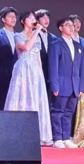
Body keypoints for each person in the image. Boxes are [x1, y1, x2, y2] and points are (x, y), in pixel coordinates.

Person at [4, 11, 52, 145]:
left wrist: (41, 74)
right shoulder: (17, 36)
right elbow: (26, 47)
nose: (32, 20)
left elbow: (38, 57)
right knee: (22, 98)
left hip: (36, 71)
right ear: (23, 21)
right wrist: (37, 32)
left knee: (37, 99)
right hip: (23, 70)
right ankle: (19, 134)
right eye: (30, 18)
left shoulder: (38, 37)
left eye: (33, 18)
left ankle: (38, 135)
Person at [49, 17, 84, 148]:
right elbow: (53, 66)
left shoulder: (78, 45)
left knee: (69, 112)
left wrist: (81, 86)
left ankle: (66, 137)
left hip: (75, 85)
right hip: (61, 84)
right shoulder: (55, 44)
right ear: (61, 28)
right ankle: (57, 138)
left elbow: (81, 68)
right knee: (58, 111)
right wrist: (54, 85)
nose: (71, 27)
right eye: (68, 25)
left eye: (72, 25)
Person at [0, 7, 18, 111]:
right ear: (3, 19)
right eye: (10, 16)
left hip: (16, 76)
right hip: (1, 77)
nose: (13, 19)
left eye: (14, 17)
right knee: (0, 105)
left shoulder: (19, 36)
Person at [36, 9, 56, 98]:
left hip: (50, 74)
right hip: (38, 72)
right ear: (37, 20)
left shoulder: (54, 38)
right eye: (43, 18)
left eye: (48, 18)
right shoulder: (33, 35)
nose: (46, 20)